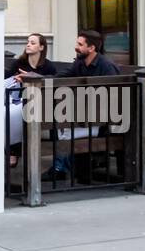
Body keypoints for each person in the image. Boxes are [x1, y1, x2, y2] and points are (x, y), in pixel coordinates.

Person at [43, 29, 121, 182]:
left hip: (102, 120)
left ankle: (60, 168)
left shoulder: (106, 67)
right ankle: (64, 168)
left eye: (80, 44)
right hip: (83, 115)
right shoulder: (79, 63)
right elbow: (61, 77)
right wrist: (38, 78)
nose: (76, 47)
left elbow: (113, 99)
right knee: (59, 123)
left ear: (91, 48)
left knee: (63, 130)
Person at [6, 33, 57, 167]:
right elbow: (6, 79)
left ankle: (13, 153)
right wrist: (17, 78)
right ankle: (10, 150)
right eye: (28, 42)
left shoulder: (48, 66)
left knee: (17, 114)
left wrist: (30, 77)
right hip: (16, 99)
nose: (28, 44)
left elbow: (53, 83)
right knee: (11, 113)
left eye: (33, 43)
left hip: (39, 103)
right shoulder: (19, 63)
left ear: (41, 47)